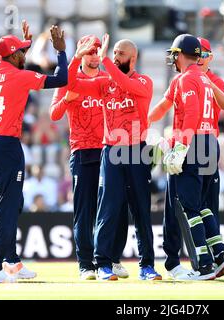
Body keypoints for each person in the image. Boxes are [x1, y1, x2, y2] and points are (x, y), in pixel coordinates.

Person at [0, 21, 68, 283]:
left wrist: (23, 47)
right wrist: (60, 51)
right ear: (14, 56)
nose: (23, 56)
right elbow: (62, 79)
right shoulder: (19, 76)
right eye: (20, 53)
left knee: (13, 201)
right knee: (8, 204)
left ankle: (12, 261)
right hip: (6, 144)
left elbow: (12, 65)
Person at [66, 34, 161, 281]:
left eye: (121, 53)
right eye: (115, 52)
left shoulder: (144, 81)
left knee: (141, 210)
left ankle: (147, 266)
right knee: (107, 209)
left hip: (138, 150)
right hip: (112, 151)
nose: (115, 56)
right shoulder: (103, 83)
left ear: (133, 57)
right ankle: (103, 264)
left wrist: (107, 61)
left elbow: (126, 85)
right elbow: (72, 85)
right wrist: (76, 59)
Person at [148, 36, 224, 279]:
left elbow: (193, 113)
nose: (172, 58)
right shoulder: (202, 79)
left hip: (194, 141)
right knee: (203, 206)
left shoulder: (187, 78)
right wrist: (141, 122)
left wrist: (181, 147)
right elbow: (163, 107)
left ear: (181, 54)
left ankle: (204, 264)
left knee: (187, 206)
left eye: (175, 53)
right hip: (208, 142)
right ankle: (220, 253)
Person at [50, 35, 130, 280]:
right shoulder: (70, 77)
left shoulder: (108, 79)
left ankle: (112, 259)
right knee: (84, 210)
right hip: (83, 150)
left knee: (116, 206)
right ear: (81, 55)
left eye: (97, 51)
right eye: (89, 52)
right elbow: (54, 114)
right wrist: (66, 98)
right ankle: (86, 264)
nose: (95, 56)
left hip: (110, 149)